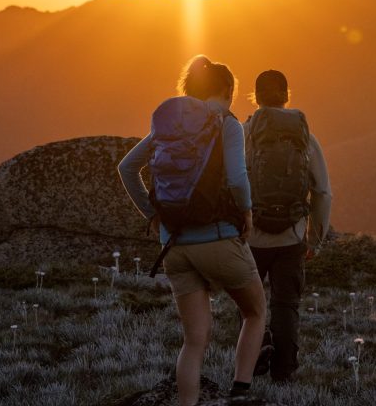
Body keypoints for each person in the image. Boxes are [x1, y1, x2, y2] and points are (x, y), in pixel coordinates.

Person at [118, 55, 266, 406]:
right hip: (218, 239)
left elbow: (126, 167)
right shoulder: (226, 123)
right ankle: (240, 391)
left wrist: (153, 214)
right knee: (255, 312)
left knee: (194, 340)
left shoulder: (170, 124)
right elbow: (237, 177)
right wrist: (246, 213)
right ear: (227, 89)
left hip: (175, 246)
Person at [245, 69, 332, 383]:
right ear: (286, 95)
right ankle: (284, 373)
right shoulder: (305, 137)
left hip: (250, 238)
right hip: (292, 238)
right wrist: (315, 239)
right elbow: (322, 192)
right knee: (286, 305)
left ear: (255, 97)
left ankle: (253, 355)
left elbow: (230, 185)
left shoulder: (244, 133)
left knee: (249, 305)